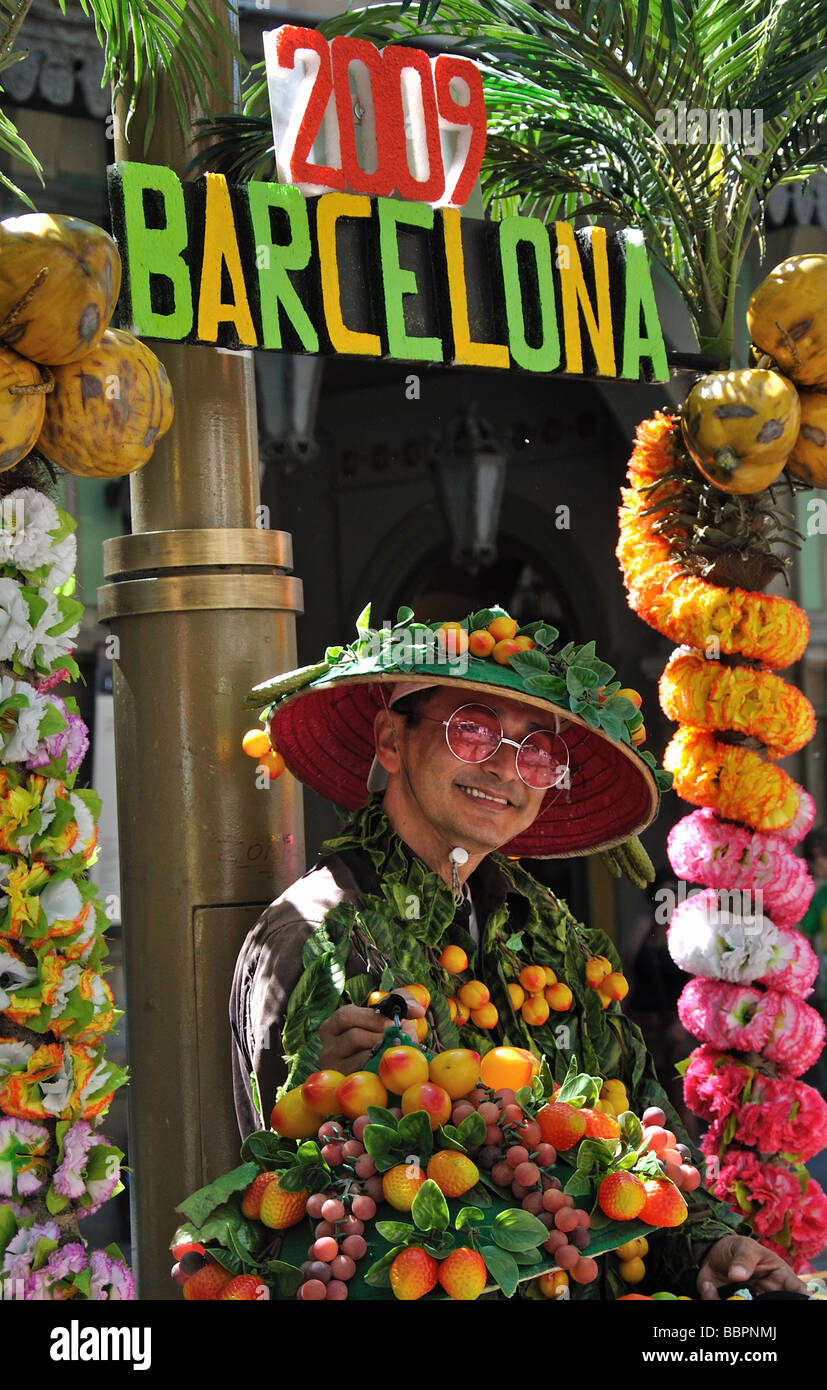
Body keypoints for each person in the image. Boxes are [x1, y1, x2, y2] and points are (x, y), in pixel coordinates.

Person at [230, 604, 807, 1300]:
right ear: (390, 739)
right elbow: (302, 1208)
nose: (506, 768)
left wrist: (708, 1246)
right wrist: (324, 1097)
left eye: (536, 748)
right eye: (470, 729)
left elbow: (639, 1128)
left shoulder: (552, 931)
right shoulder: (322, 933)